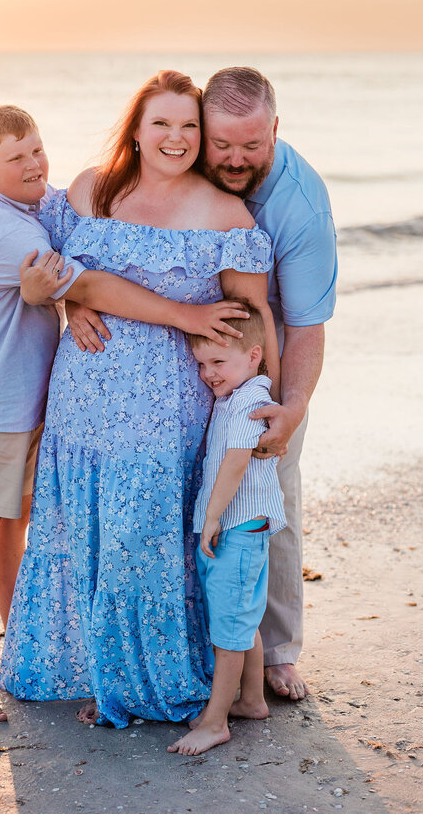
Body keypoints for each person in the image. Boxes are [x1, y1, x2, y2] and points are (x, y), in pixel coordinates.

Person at [0, 103, 248, 724]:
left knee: (18, 524)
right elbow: (89, 282)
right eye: (15, 158)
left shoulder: (33, 205)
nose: (33, 165)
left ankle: (26, 637)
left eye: (35, 150)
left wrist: (59, 301)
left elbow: (72, 250)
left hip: (31, 402)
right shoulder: (5, 230)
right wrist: (89, 299)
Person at [0, 70, 279, 728]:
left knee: (138, 538)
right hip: (80, 395)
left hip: (167, 404)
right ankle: (86, 670)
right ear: (137, 128)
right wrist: (73, 298)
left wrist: (270, 402)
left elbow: (252, 318)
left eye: (189, 126)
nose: (176, 138)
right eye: (162, 123)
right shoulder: (90, 189)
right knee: (81, 529)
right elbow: (58, 269)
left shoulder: (226, 215)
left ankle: (140, 680)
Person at [201, 66, 338, 701]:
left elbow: (306, 324)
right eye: (221, 144)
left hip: (269, 369)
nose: (233, 159)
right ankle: (201, 640)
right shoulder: (186, 156)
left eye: (251, 146)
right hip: (190, 352)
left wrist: (293, 406)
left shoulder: (301, 202)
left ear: (275, 130)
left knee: (269, 498)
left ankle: (278, 650)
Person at [167, 304, 285, 756]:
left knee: (229, 629)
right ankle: (251, 700)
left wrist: (212, 517)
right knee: (241, 618)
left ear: (253, 355)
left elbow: (237, 462)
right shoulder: (238, 396)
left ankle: (215, 721)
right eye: (201, 363)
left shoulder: (249, 403)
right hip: (246, 528)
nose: (208, 373)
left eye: (218, 362)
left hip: (235, 526)